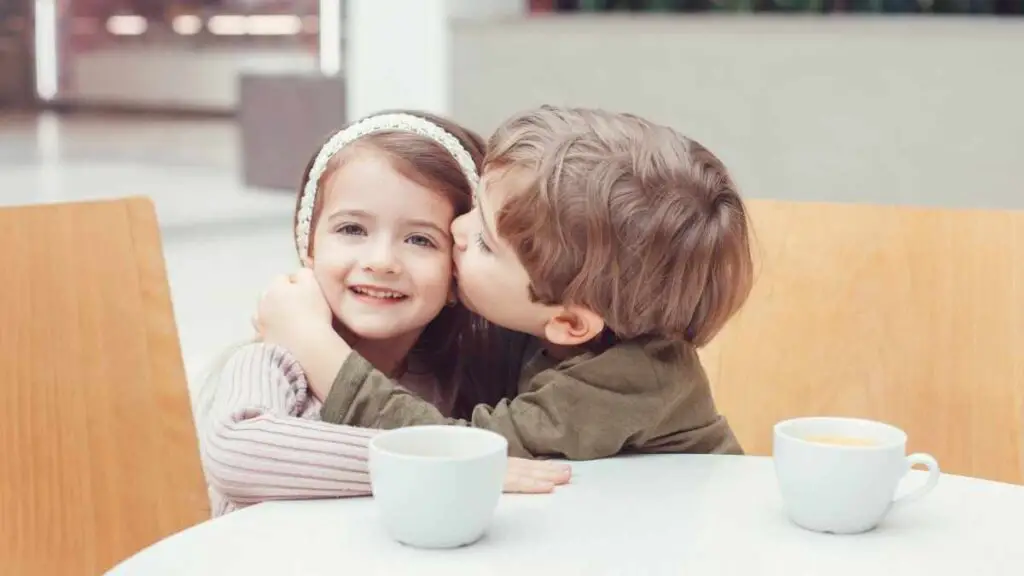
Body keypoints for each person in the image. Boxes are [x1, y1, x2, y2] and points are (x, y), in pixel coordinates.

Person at [254, 105, 754, 460]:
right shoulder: (558, 325)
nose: (456, 230)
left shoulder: (627, 380)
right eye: (473, 211)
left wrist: (315, 346)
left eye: (486, 241)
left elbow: (452, 451)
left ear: (570, 323)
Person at [193, 110, 571, 517]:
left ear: (458, 268)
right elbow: (239, 453)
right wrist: (446, 462)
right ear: (310, 245)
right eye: (353, 229)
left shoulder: (460, 368)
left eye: (419, 239)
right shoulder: (276, 355)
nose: (381, 260)